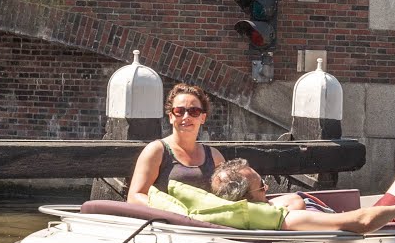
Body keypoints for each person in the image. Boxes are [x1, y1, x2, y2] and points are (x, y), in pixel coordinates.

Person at [125, 83, 304, 210]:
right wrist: (176, 211)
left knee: (295, 201)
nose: (186, 117)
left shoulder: (214, 155)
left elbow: (229, 193)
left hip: (210, 226)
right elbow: (134, 197)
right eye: (179, 111)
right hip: (170, 227)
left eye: (194, 111)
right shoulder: (157, 151)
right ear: (171, 116)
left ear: (202, 117)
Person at [202, 151, 395, 234]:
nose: (268, 188)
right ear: (246, 198)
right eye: (262, 186)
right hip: (379, 227)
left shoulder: (256, 211)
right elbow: (362, 222)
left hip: (370, 219)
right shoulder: (288, 218)